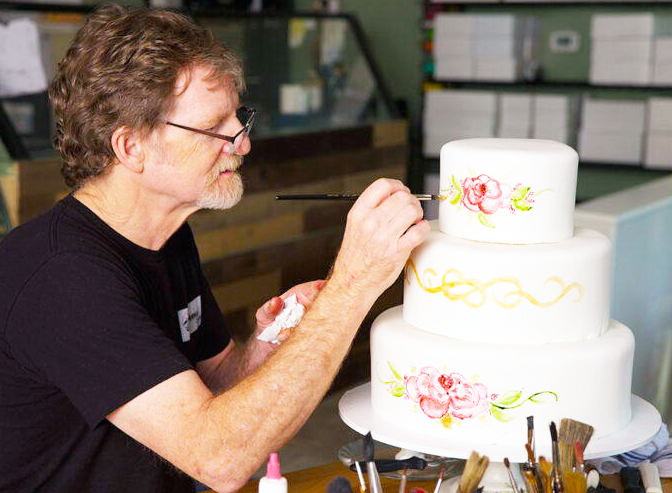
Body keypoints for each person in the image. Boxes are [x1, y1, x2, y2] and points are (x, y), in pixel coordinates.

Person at [0, 4, 430, 493]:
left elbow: (215, 384)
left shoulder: (168, 235)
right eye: (213, 128)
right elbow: (220, 459)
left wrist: (267, 349)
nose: (242, 145)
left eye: (238, 119)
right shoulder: (63, 278)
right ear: (131, 147)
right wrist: (352, 285)